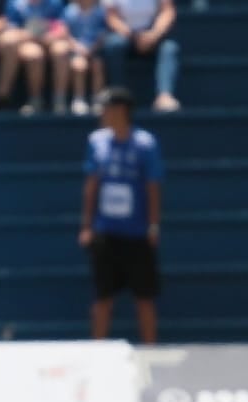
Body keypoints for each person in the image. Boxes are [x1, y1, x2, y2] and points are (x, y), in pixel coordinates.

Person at [80, 86, 164, 345]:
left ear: (121, 110)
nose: (101, 113)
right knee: (102, 296)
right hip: (106, 231)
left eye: (106, 108)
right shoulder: (97, 141)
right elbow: (91, 184)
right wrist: (87, 225)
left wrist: (153, 226)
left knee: (144, 297)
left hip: (137, 233)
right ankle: (97, 351)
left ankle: (149, 352)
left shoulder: (145, 144)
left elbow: (153, 187)